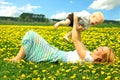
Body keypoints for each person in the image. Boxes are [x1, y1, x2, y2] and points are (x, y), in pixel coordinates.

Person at [4, 13, 114, 64]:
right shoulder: (89, 54)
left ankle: (17, 59)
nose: (100, 46)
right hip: (57, 52)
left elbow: (75, 41)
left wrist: (75, 23)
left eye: (102, 49)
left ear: (100, 57)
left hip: (56, 56)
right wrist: (78, 29)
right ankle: (19, 57)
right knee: (31, 35)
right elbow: (79, 40)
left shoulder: (88, 58)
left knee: (31, 34)